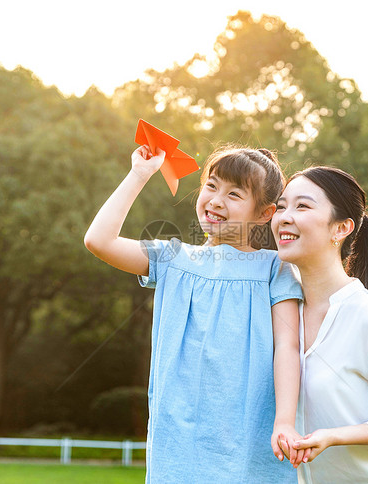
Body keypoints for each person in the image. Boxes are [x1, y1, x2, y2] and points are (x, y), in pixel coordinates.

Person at [84, 144, 304, 482]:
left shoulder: (275, 269)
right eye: (212, 186)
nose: (216, 200)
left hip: (249, 436)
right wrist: (139, 174)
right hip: (178, 440)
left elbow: (288, 349)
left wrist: (285, 421)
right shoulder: (172, 259)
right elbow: (99, 240)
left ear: (264, 214)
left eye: (235, 194)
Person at [271, 166, 368, 483]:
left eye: (302, 206)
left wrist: (333, 436)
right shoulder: (277, 310)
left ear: (341, 228)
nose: (284, 216)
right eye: (281, 205)